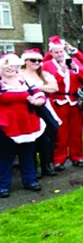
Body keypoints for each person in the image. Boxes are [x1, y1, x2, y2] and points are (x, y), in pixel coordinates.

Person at [0, 53, 46, 198]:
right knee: (6, 156)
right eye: (7, 65)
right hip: (6, 124)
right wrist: (24, 97)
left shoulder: (24, 81)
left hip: (27, 123)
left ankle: (30, 181)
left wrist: (38, 101)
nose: (10, 68)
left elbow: (40, 95)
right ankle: (3, 185)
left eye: (13, 66)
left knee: (27, 153)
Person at [42, 36, 83, 170]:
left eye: (61, 52)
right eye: (56, 52)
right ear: (51, 52)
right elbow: (48, 84)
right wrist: (61, 72)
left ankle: (77, 156)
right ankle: (59, 159)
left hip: (74, 101)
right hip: (58, 100)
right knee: (60, 132)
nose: (59, 55)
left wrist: (77, 69)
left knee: (76, 131)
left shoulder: (72, 61)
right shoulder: (46, 66)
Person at [21, 48, 60, 178]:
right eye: (33, 60)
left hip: (46, 107)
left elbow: (54, 88)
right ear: (25, 61)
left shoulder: (44, 74)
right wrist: (41, 88)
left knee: (49, 135)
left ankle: (46, 165)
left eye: (39, 60)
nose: (37, 62)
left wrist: (34, 88)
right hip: (29, 109)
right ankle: (32, 167)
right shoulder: (20, 74)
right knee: (32, 138)